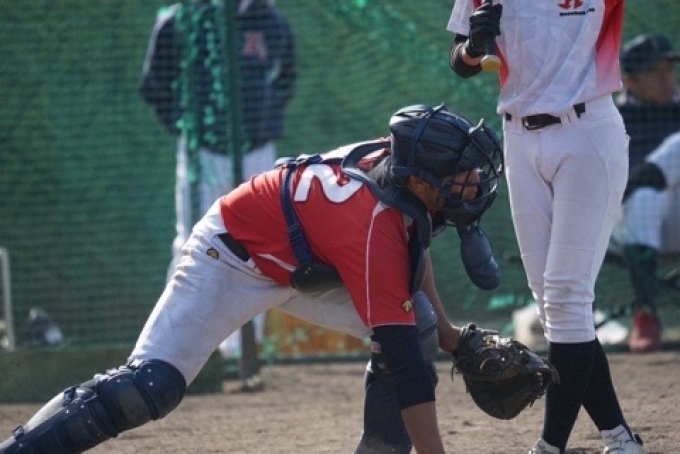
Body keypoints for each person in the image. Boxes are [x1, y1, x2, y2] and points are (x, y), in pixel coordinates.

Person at [0, 103, 504, 454]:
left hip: (304, 265)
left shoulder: (401, 178)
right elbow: (407, 364)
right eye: (460, 172)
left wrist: (449, 336)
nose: (473, 180)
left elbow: (411, 254)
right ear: (418, 177)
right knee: (149, 388)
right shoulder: (371, 221)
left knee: (418, 324)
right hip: (230, 255)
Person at [447, 1, 646, 453]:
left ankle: (549, 446)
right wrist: (473, 49)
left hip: (587, 132)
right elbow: (460, 60)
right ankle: (620, 439)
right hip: (519, 138)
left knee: (566, 294)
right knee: (554, 304)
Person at [139, 0, 297, 388]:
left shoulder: (269, 19)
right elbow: (154, 85)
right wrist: (183, 124)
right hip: (202, 151)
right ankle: (169, 354)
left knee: (260, 245)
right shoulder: (180, 20)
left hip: (257, 148)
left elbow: (286, 77)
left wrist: (265, 116)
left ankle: (242, 355)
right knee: (192, 243)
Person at [611, 33, 680, 352]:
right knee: (644, 197)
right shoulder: (612, 119)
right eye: (654, 71)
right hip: (626, 224)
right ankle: (646, 313)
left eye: (669, 69)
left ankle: (652, 174)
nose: (666, 78)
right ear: (630, 81)